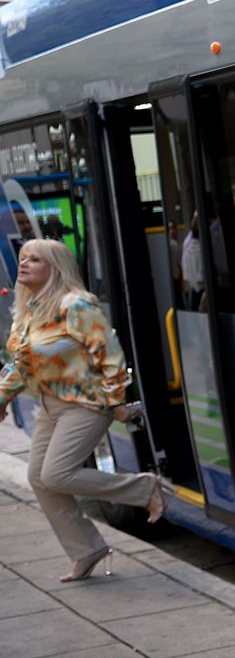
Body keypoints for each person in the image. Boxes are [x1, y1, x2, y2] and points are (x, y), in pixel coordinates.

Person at [0, 239, 164, 580]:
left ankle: (145, 488)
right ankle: (86, 549)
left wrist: (117, 401)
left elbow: (111, 356)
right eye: (23, 258)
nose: (24, 264)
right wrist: (3, 398)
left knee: (56, 474)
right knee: (38, 479)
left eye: (35, 260)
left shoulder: (76, 305)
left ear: (55, 268)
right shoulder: (29, 309)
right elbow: (22, 365)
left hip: (87, 404)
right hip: (50, 404)